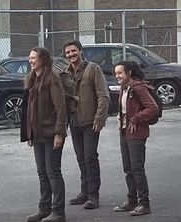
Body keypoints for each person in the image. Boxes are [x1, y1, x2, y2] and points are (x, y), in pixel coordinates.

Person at [20, 47, 67, 222]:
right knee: (42, 173)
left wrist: (59, 133)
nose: (30, 60)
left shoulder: (52, 79)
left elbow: (61, 108)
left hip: (51, 133)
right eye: (29, 57)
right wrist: (29, 133)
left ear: (43, 59)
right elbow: (30, 110)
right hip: (37, 134)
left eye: (34, 58)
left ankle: (58, 212)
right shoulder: (33, 79)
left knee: (53, 171)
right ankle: (44, 209)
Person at [63, 39, 110, 209]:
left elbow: (103, 96)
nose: (71, 55)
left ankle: (93, 195)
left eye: (74, 51)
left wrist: (99, 119)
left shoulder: (93, 69)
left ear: (81, 51)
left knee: (90, 157)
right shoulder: (65, 73)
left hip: (90, 122)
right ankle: (84, 193)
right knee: (81, 158)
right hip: (74, 122)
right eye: (68, 52)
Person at [113, 61, 158, 216]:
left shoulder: (138, 87)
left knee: (137, 168)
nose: (117, 76)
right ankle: (132, 200)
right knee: (128, 169)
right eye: (116, 73)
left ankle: (144, 203)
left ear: (129, 73)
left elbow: (152, 108)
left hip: (136, 134)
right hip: (124, 132)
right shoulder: (124, 88)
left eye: (120, 73)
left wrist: (135, 118)